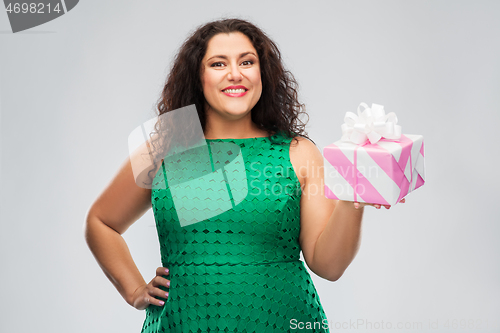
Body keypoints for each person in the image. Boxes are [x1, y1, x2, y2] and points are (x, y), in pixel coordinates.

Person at [85, 18, 402, 333]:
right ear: (198, 77)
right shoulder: (162, 149)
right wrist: (134, 291)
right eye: (218, 63)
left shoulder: (297, 152)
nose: (235, 74)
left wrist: (351, 199)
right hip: (182, 324)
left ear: (262, 73)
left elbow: (328, 265)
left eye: (247, 62)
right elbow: (101, 222)